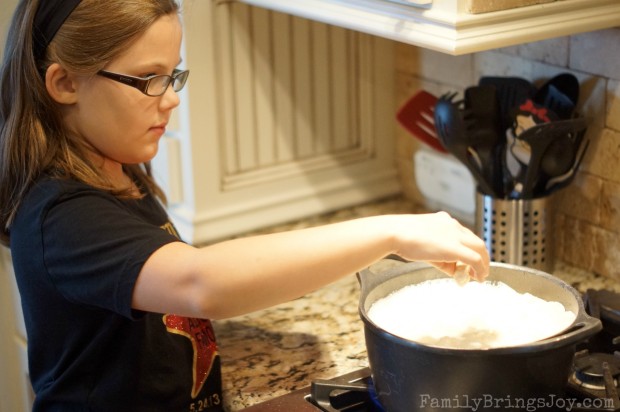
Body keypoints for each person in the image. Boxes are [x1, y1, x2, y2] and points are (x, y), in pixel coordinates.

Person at [0, 0, 490, 410]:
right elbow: (200, 283)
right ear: (64, 84)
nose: (169, 99)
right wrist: (390, 232)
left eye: (173, 75)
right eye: (148, 79)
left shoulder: (113, 164)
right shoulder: (57, 213)